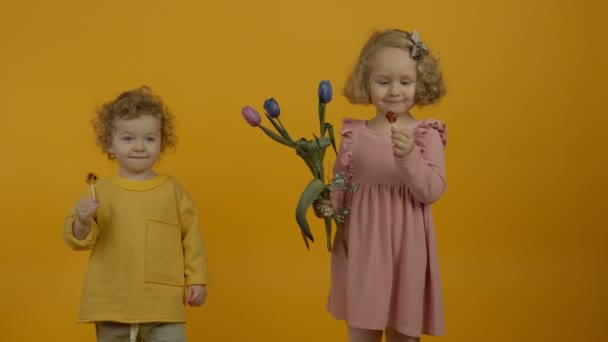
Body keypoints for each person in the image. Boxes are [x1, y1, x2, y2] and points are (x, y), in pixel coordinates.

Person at [314, 29, 447, 342]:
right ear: (366, 82)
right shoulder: (354, 136)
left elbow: (431, 190)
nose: (394, 91)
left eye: (405, 81)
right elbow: (342, 183)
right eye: (383, 81)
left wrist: (410, 157)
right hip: (362, 248)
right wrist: (328, 205)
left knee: (403, 330)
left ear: (421, 83)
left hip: (407, 250)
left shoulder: (425, 135)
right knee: (361, 328)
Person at [63, 86, 210, 342]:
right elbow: (77, 239)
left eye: (149, 138)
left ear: (162, 142)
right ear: (110, 142)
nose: (139, 147)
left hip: (162, 306)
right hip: (111, 305)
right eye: (128, 138)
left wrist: (197, 279)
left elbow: (192, 238)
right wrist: (83, 220)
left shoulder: (173, 191)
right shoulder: (99, 192)